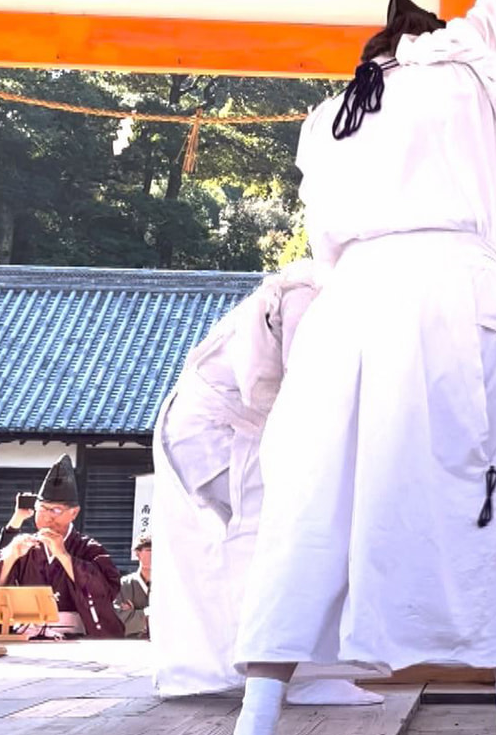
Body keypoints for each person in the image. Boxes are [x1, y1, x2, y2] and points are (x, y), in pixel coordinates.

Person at [210, 0, 496, 735]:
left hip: (352, 304)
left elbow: (322, 243)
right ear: (431, 32)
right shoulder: (467, 56)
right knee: (488, 492)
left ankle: (251, 734)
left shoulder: (334, 115)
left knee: (311, 502)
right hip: (453, 295)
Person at [152, 261, 376, 707]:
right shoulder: (307, 291)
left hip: (214, 428)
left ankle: (245, 671)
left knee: (240, 553)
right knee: (284, 545)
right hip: (226, 433)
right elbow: (297, 390)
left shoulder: (327, 290)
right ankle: (304, 675)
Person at [0, 456, 123, 639]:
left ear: (74, 512)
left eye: (55, 511)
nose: (47, 517)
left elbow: (104, 594)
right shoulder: (24, 547)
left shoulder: (89, 549)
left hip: (74, 640)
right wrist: (10, 557)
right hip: (23, 636)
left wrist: (64, 557)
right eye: (42, 509)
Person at [117, 535, 152, 638]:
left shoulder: (168, 585)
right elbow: (118, 620)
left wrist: (134, 613)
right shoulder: (124, 584)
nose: (153, 554)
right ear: (138, 553)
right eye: (149, 550)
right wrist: (147, 614)